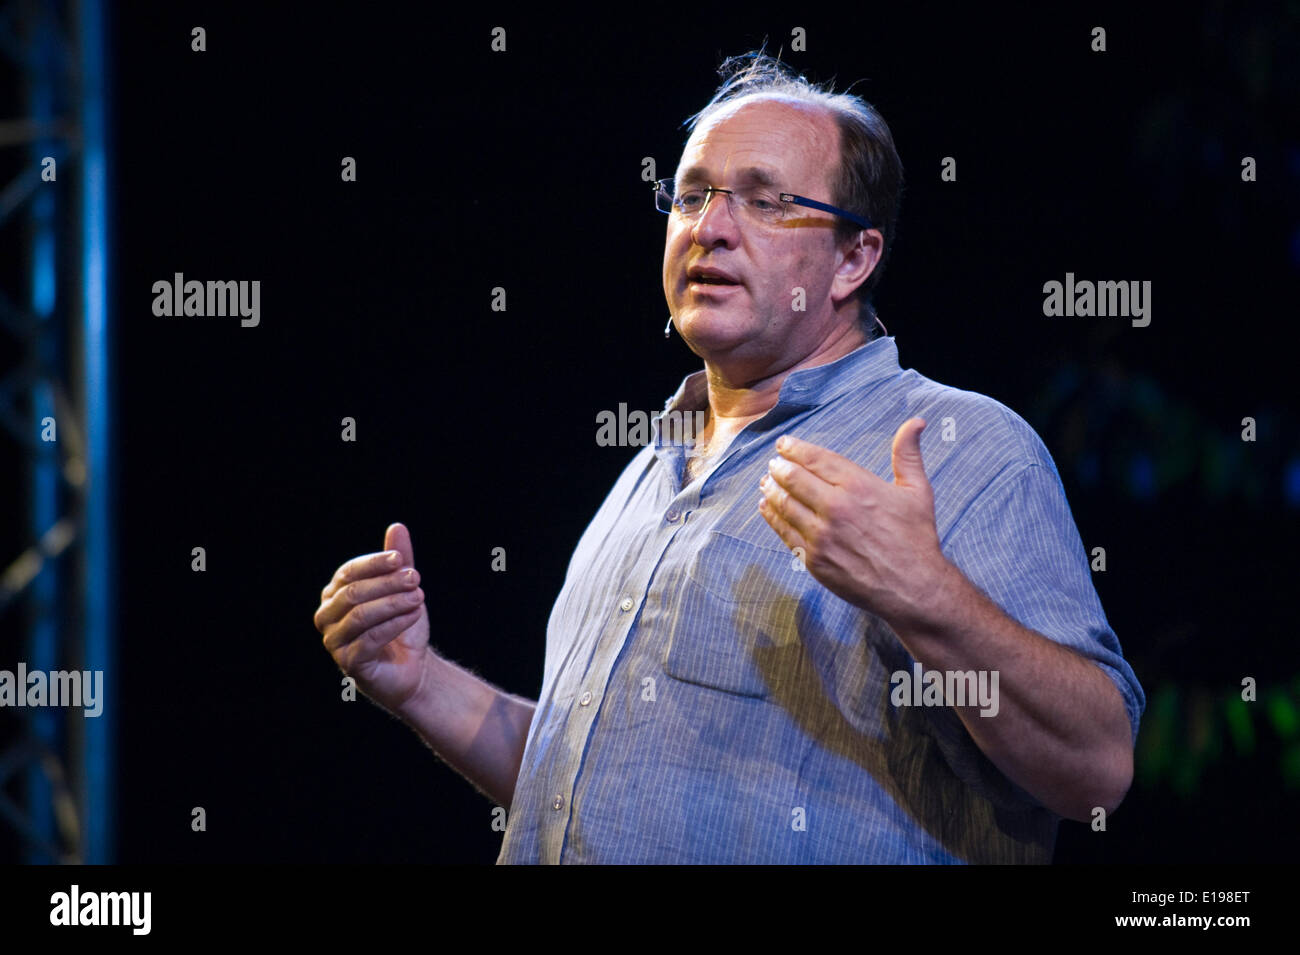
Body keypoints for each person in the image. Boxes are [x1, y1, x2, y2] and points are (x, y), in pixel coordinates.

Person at [313, 52, 1144, 863]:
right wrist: (419, 682)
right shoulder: (651, 466)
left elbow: (1097, 770)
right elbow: (582, 786)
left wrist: (925, 594)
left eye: (764, 200)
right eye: (691, 195)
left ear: (855, 257)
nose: (709, 227)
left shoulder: (959, 446)